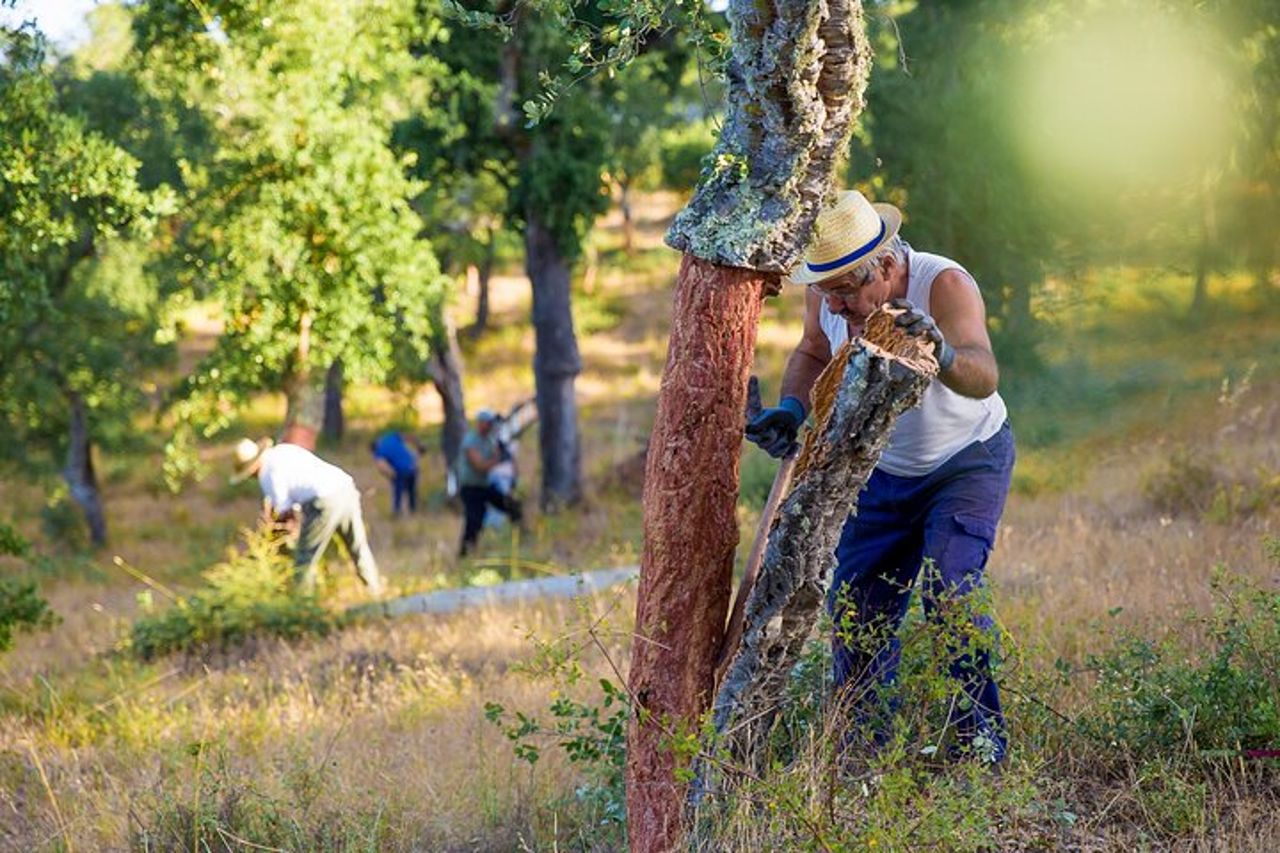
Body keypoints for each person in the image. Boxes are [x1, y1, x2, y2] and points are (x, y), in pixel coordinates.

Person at [745, 190, 1015, 764]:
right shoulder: (829, 298)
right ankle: (866, 755)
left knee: (952, 585)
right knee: (855, 605)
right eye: (828, 295)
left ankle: (981, 743)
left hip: (965, 460)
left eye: (847, 294)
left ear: (888, 269)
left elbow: (985, 373)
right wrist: (792, 409)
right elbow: (813, 351)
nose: (838, 308)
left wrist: (941, 355)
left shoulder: (944, 285)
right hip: (881, 468)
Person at [231, 438, 384, 597]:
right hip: (345, 487)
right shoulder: (283, 450)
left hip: (324, 501)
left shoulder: (266, 474)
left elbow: (285, 513)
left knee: (304, 560)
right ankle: (375, 591)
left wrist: (274, 541)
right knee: (357, 546)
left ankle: (304, 604)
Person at [456, 409, 523, 557]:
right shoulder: (471, 441)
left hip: (485, 485)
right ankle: (465, 554)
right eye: (488, 423)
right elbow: (479, 466)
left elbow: (500, 455)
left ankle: (521, 539)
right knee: (474, 520)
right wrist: (498, 459)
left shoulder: (490, 439)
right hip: (471, 488)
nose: (491, 426)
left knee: (512, 506)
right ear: (480, 423)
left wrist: (504, 454)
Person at [370, 430, 421, 515]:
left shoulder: (379, 452)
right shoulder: (391, 437)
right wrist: (418, 444)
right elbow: (407, 436)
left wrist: (393, 476)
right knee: (412, 491)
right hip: (412, 467)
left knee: (398, 492)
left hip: (401, 470)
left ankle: (397, 511)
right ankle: (413, 510)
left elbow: (383, 467)